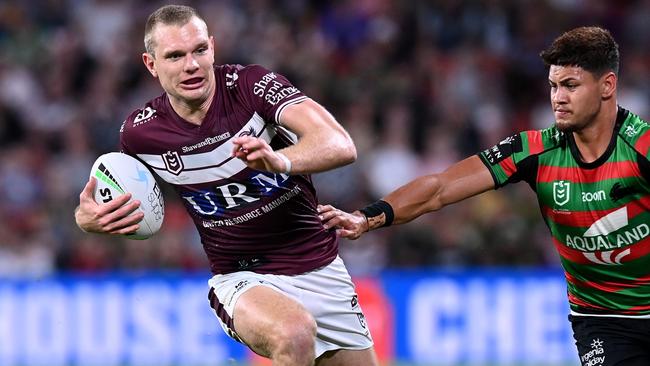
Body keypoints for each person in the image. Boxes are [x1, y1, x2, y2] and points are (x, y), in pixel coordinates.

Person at [319, 26, 650, 366]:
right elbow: (441, 187)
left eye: (571, 86)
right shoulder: (533, 150)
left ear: (607, 86)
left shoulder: (642, 147)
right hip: (602, 321)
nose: (558, 98)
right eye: (553, 85)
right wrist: (366, 217)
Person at [74, 5, 378, 366]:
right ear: (151, 64)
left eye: (199, 50)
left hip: (321, 268)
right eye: (174, 56)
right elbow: (101, 200)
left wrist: (281, 160)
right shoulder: (141, 135)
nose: (191, 65)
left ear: (213, 48)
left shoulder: (251, 87)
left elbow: (340, 144)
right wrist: (86, 218)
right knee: (294, 334)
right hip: (244, 278)